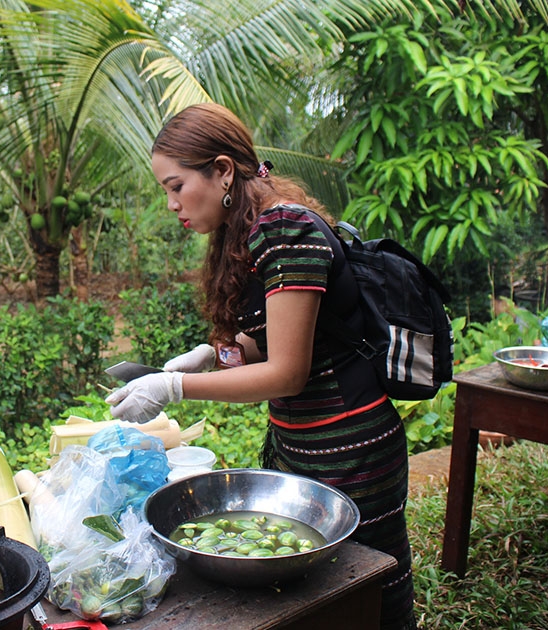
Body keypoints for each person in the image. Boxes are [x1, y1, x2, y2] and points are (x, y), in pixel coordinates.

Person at [106, 103, 417, 630]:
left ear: (223, 171)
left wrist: (178, 386)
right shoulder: (255, 231)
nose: (170, 203)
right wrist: (213, 356)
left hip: (349, 451)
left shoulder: (285, 229)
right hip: (303, 445)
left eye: (177, 185)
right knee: (315, 600)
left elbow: (288, 373)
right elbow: (276, 343)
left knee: (370, 595)